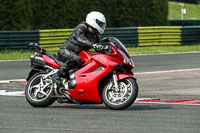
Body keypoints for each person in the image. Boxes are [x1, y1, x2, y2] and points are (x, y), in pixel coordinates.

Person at [53, 11, 106, 85]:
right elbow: (79, 38)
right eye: (100, 24)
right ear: (94, 21)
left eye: (102, 25)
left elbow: (98, 47)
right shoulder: (82, 27)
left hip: (79, 54)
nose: (102, 26)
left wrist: (105, 50)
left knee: (89, 62)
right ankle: (57, 75)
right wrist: (92, 44)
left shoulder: (95, 35)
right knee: (77, 59)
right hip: (66, 51)